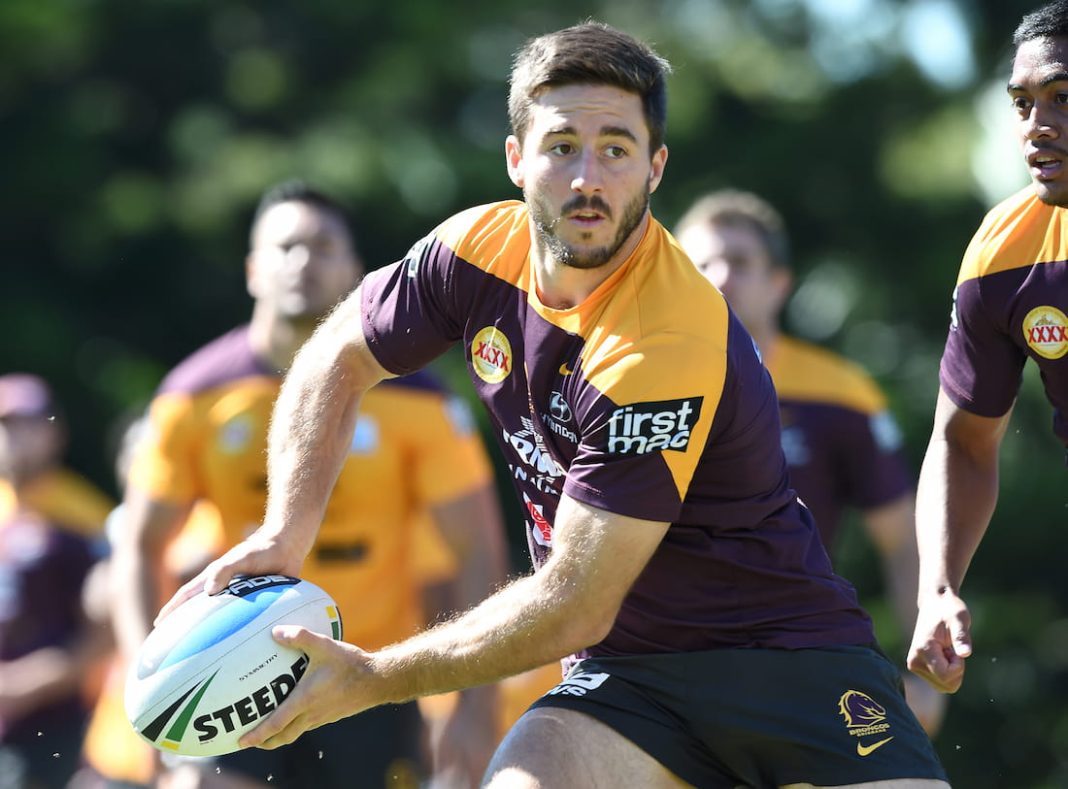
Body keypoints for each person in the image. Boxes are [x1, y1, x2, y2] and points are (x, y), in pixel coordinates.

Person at [169, 23, 949, 788]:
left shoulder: (662, 338)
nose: (588, 178)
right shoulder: (472, 253)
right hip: (630, 681)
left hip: (788, 661)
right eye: (561, 145)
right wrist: (286, 530)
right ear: (516, 157)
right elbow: (335, 358)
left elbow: (573, 604)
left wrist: (374, 676)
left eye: (617, 148)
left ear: (655, 168)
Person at [109, 181, 509, 789]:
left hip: (368, 674)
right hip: (227, 668)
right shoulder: (191, 395)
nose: (303, 261)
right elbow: (139, 546)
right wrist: (153, 694)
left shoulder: (419, 398)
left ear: (354, 272)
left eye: (323, 247)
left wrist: (475, 710)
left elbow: (476, 549)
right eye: (286, 246)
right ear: (251, 270)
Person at [673, 189, 947, 736]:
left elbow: (901, 538)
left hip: (801, 656)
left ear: (780, 283)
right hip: (665, 657)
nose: (721, 276)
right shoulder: (632, 382)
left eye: (740, 261)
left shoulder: (841, 394)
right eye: (702, 263)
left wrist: (924, 670)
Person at [907, 0, 1068, 699]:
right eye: (1023, 103)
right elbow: (965, 442)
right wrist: (936, 588)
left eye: (1063, 98)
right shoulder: (1005, 253)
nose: (1038, 127)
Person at [0, 373, 113, 788]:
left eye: (27, 426)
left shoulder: (84, 518)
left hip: (56, 720)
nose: (14, 439)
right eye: (5, 427)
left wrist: (34, 681)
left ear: (54, 434)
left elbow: (107, 628)